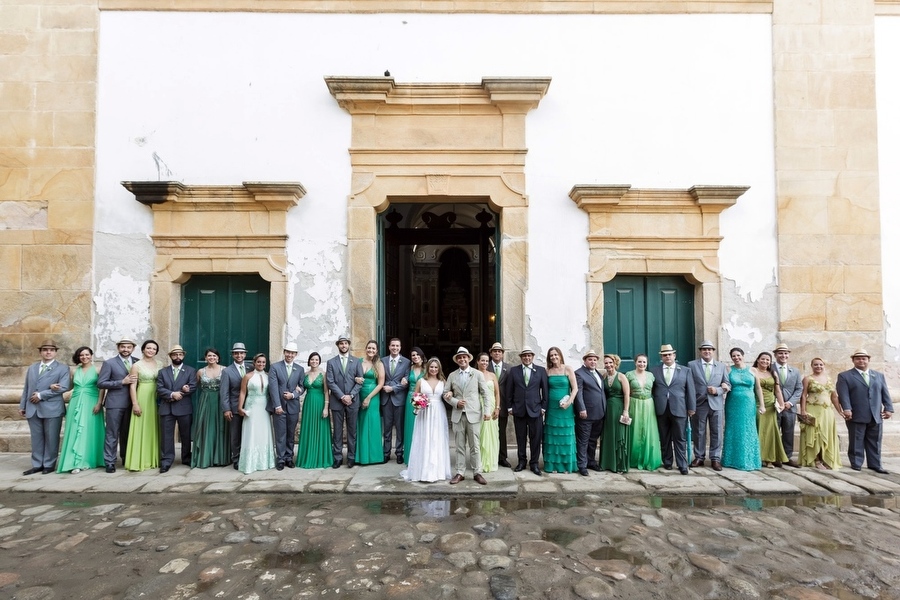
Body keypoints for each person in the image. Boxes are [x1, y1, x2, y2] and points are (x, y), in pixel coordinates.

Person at [836, 349, 894, 473]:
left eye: (864, 358)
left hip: (876, 414)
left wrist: (888, 408)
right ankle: (856, 463)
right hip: (856, 414)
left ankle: (875, 464)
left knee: (875, 441)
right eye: (858, 358)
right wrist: (847, 408)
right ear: (853, 360)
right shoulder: (845, 376)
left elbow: (885, 393)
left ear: (868, 360)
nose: (861, 360)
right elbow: (843, 394)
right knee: (856, 439)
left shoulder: (878, 375)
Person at [20, 339, 70, 476]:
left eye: (51, 350)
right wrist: (22, 405)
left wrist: (42, 395)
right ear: (41, 352)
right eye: (45, 350)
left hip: (52, 409)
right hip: (32, 408)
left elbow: (64, 387)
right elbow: (27, 388)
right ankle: (37, 464)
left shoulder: (63, 368)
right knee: (36, 438)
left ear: (55, 352)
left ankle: (49, 464)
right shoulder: (32, 368)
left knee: (51, 438)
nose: (48, 352)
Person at [401, 357, 452, 482]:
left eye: (436, 367)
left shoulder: (443, 381)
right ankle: (422, 471)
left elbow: (446, 395)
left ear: (439, 369)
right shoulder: (421, 381)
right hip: (424, 413)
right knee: (424, 438)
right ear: (427, 367)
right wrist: (419, 403)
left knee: (437, 439)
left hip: (438, 412)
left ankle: (438, 471)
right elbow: (414, 396)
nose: (433, 369)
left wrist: (450, 393)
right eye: (431, 367)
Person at [57, 346, 106, 474]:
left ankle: (88, 460)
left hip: (92, 402)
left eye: (87, 355)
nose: (84, 357)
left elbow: (102, 388)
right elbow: (68, 387)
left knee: (89, 431)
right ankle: (75, 462)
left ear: (91, 355)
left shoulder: (97, 370)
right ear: (78, 357)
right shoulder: (74, 371)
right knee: (75, 430)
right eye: (81, 355)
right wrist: (53, 387)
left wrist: (99, 403)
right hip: (76, 402)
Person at [443, 347, 488, 485]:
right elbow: (445, 393)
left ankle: (477, 472)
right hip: (458, 415)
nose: (462, 359)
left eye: (464, 357)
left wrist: (486, 411)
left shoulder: (477, 374)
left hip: (473, 414)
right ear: (457, 360)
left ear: (468, 358)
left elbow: (485, 393)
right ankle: (460, 472)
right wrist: (455, 402)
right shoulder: (452, 375)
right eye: (459, 358)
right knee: (459, 446)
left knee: (475, 445)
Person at [650, 344, 696, 475]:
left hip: (680, 408)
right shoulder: (654, 371)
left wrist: (691, 407)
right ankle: (667, 462)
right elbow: (652, 390)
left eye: (670, 354)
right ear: (661, 357)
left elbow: (691, 390)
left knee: (680, 438)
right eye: (665, 355)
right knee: (664, 437)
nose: (667, 357)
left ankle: (682, 465)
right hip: (661, 408)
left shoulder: (685, 370)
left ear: (674, 356)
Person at [505, 346, 549, 476]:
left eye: (529, 355)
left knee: (536, 438)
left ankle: (534, 463)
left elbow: (545, 391)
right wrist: (509, 407)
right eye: (524, 356)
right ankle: (521, 462)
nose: (527, 358)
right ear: (521, 358)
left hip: (536, 410)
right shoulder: (514, 371)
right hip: (519, 410)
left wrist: (543, 407)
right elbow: (509, 391)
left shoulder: (540, 371)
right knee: (520, 438)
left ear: (532, 357)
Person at [97, 336, 139, 473]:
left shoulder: (137, 362)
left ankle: (127, 458)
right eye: (123, 347)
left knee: (128, 433)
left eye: (129, 347)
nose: (126, 349)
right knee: (112, 433)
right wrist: (121, 382)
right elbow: (101, 383)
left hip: (133, 403)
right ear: (118, 348)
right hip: (115, 403)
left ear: (133, 348)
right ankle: (110, 461)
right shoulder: (109, 363)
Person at [687, 341, 730, 471]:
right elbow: (688, 384)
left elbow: (727, 384)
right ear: (700, 351)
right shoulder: (692, 365)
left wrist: (717, 391)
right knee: (699, 431)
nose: (707, 352)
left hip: (716, 403)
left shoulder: (721, 366)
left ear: (713, 351)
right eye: (704, 350)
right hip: (699, 403)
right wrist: (690, 404)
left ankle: (715, 458)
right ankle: (699, 457)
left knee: (716, 431)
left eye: (709, 350)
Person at [721, 347, 765, 471]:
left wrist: (761, 404)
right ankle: (731, 460)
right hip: (733, 404)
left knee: (748, 429)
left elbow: (758, 388)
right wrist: (723, 385)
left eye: (738, 355)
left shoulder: (753, 370)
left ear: (743, 355)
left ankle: (750, 460)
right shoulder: (728, 369)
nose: (736, 358)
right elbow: (724, 383)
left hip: (749, 403)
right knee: (734, 429)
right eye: (733, 356)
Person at [156, 344, 197, 473]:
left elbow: (193, 386)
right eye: (175, 354)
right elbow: (159, 388)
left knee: (185, 434)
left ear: (183, 356)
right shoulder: (163, 372)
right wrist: (172, 394)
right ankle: (167, 460)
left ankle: (186, 457)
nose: (177, 356)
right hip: (167, 407)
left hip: (184, 407)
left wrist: (183, 392)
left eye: (180, 354)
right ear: (170, 356)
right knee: (166, 436)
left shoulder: (190, 371)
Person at [326, 335, 363, 468]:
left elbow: (360, 381)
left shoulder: (357, 361)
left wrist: (351, 396)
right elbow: (330, 382)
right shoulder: (331, 362)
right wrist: (342, 396)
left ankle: (351, 457)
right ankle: (337, 457)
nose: (343, 346)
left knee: (352, 430)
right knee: (337, 430)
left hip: (353, 401)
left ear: (349, 345)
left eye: (346, 343)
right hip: (337, 401)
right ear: (338, 345)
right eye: (341, 343)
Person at [799, 358, 843, 470]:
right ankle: (816, 460)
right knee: (815, 435)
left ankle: (826, 459)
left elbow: (834, 397)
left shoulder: (829, 379)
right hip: (813, 409)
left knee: (827, 434)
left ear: (824, 365)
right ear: (811, 366)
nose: (818, 366)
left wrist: (840, 411)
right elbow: (803, 395)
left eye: (820, 364)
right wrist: (803, 410)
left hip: (827, 411)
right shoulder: (807, 379)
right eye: (815, 365)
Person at [124, 339, 162, 472]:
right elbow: (132, 386)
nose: (151, 350)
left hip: (156, 397)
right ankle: (139, 459)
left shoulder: (160, 364)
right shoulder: (136, 366)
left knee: (153, 426)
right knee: (142, 426)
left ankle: (153, 459)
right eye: (148, 348)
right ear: (143, 350)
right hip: (143, 396)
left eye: (154, 349)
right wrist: (135, 404)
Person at [268, 342, 305, 470]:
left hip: (293, 406)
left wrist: (293, 395)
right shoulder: (275, 367)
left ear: (296, 354)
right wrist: (277, 405)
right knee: (280, 434)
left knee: (291, 433)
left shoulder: (300, 369)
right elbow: (273, 387)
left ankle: (289, 457)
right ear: (284, 352)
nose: (290, 355)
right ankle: (281, 459)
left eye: (292, 353)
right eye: (288, 352)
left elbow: (302, 386)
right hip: (280, 407)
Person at [237, 353, 275, 474]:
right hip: (252, 407)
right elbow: (243, 392)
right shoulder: (247, 376)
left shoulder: (269, 376)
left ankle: (265, 462)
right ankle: (250, 463)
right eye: (259, 362)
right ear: (254, 363)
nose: (261, 364)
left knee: (263, 432)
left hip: (264, 407)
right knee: (252, 432)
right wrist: (240, 407)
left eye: (263, 362)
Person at [192, 348, 230, 468]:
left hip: (221, 400)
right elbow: (194, 386)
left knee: (221, 428)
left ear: (218, 358)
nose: (212, 358)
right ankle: (205, 458)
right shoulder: (200, 372)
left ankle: (220, 458)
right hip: (206, 401)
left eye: (214, 355)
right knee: (206, 428)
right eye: (209, 356)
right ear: (205, 358)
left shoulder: (225, 370)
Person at [541, 347, 577, 473]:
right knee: (552, 436)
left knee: (565, 436)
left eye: (556, 355)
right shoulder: (547, 371)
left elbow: (575, 389)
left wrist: (569, 402)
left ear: (560, 355)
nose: (554, 357)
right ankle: (553, 466)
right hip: (552, 408)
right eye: (551, 355)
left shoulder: (568, 369)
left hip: (566, 408)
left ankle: (566, 466)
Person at [626, 354, 662, 470]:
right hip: (634, 404)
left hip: (648, 404)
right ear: (635, 362)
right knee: (634, 431)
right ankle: (634, 459)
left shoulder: (651, 375)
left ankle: (648, 458)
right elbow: (626, 392)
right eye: (639, 362)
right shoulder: (629, 375)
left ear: (647, 364)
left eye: (644, 362)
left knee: (648, 431)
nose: (642, 364)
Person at [753, 351, 788, 468]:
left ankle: (769, 458)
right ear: (758, 360)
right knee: (759, 430)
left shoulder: (773, 373)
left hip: (771, 406)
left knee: (770, 432)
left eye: (767, 360)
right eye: (762, 359)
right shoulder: (753, 371)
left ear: (770, 362)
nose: (765, 361)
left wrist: (782, 404)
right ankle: (759, 457)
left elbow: (777, 390)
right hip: (757, 404)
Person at [574, 350, 606, 476]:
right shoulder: (579, 374)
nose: (593, 362)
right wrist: (581, 408)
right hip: (586, 414)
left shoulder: (598, 373)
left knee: (593, 440)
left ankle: (591, 461)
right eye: (590, 359)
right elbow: (579, 393)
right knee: (583, 440)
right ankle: (582, 465)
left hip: (599, 413)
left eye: (595, 359)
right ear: (585, 361)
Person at [297, 352, 331, 469]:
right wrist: (298, 388)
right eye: (312, 359)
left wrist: (326, 407)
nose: (314, 362)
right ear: (309, 361)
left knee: (320, 429)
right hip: (308, 403)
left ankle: (320, 457)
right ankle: (307, 457)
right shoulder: (305, 374)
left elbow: (327, 391)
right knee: (308, 428)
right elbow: (302, 388)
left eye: (316, 360)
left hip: (320, 402)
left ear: (319, 361)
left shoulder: (324, 374)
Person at [600, 354, 632, 473]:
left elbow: (626, 395)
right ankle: (607, 463)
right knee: (608, 435)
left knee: (619, 435)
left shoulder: (621, 377)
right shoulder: (603, 376)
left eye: (610, 362)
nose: (608, 365)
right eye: (606, 363)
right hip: (607, 409)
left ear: (615, 363)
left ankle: (619, 464)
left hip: (619, 408)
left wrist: (625, 411)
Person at [381, 338, 411, 464]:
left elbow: (407, 381)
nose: (395, 348)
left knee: (399, 428)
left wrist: (393, 388)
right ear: (389, 347)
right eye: (393, 345)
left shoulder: (407, 362)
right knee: (386, 428)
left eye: (397, 346)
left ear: (400, 347)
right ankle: (386, 453)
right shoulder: (382, 361)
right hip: (385, 399)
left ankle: (399, 453)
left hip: (399, 399)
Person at [355, 340, 385, 465]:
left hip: (373, 396)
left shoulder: (378, 364)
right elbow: (353, 376)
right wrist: (356, 378)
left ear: (377, 351)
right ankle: (361, 456)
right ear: (366, 348)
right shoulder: (359, 362)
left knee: (372, 423)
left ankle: (374, 456)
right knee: (361, 424)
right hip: (359, 394)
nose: (371, 350)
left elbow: (381, 384)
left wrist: (368, 398)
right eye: (369, 348)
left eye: (373, 348)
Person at [773, 343, 803, 467]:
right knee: (774, 431)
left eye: (785, 353)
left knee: (788, 432)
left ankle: (787, 456)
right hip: (773, 407)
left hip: (790, 407)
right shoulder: (770, 368)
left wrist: (790, 402)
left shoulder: (795, 371)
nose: (783, 355)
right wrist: (777, 402)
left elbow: (799, 389)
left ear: (789, 355)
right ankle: (774, 456)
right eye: (780, 353)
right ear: (775, 355)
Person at [219, 342, 247, 470]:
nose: (239, 355)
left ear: (245, 354)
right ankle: (236, 458)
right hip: (235, 407)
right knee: (235, 434)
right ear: (233, 355)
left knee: (248, 433)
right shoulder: (227, 371)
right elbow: (224, 392)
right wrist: (227, 409)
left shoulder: (252, 367)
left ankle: (247, 456)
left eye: (241, 353)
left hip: (250, 407)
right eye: (236, 353)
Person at [489, 342, 513, 468]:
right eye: (495, 351)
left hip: (503, 404)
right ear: (491, 353)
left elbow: (512, 388)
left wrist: (511, 405)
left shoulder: (509, 368)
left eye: (499, 351)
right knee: (488, 432)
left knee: (501, 433)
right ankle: (489, 455)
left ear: (503, 354)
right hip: (487, 405)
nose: (497, 353)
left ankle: (502, 458)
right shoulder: (485, 367)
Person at [476, 352, 501, 473]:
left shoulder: (492, 375)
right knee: (480, 434)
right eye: (482, 360)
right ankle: (480, 462)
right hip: (478, 406)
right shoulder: (474, 374)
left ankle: (491, 462)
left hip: (491, 406)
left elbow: (497, 393)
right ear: (477, 362)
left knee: (492, 434)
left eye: (486, 361)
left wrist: (497, 408)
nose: (485, 363)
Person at [402, 347, 425, 465]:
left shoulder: (427, 368)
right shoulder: (409, 368)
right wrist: (404, 380)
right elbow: (405, 378)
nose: (415, 357)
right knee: (410, 427)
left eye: (417, 355)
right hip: (410, 398)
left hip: (423, 400)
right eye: (413, 355)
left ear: (421, 355)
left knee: (422, 427)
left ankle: (421, 456)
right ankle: (409, 456)